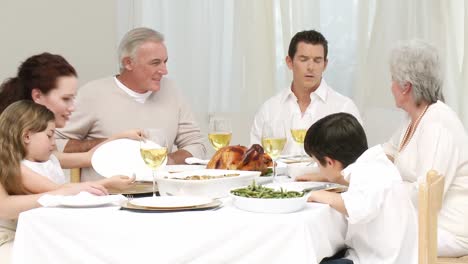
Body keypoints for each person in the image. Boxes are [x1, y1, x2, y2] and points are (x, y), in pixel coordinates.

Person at [55, 27, 207, 181]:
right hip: (107, 196)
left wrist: (169, 160)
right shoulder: (93, 94)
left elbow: (196, 145)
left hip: (160, 194)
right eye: (155, 63)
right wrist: (110, 144)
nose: (164, 70)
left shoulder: (171, 90)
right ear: (128, 63)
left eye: (165, 62)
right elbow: (56, 143)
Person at [0, 52, 139, 192]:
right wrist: (106, 183)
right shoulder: (15, 162)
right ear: (37, 96)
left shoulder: (44, 153)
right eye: (66, 99)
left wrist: (120, 137)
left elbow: (88, 157)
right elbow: (59, 191)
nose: (73, 107)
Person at [383, 39, 468, 257]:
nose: (390, 86)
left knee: (374, 234)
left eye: (393, 79)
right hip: (426, 222)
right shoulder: (414, 118)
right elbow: (385, 154)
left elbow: (425, 193)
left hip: (450, 231)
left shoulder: (438, 123)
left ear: (406, 87)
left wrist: (382, 190)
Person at [0, 101, 109, 263]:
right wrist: (60, 193)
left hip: (39, 233)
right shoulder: (11, 166)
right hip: (10, 238)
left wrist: (120, 138)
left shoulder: (46, 160)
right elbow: (5, 208)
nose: (54, 142)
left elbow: (86, 160)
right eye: (50, 135)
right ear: (27, 136)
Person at [304, 113, 417, 264]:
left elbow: (358, 208)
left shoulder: (366, 173)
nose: (318, 169)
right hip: (393, 254)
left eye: (318, 164)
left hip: (380, 259)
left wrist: (319, 195)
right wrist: (325, 177)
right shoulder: (374, 163)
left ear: (330, 162)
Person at [250, 30, 362, 156]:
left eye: (317, 60)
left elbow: (356, 163)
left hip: (325, 177)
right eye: (303, 59)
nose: (310, 67)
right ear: (289, 62)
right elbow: (255, 160)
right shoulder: (269, 110)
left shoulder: (344, 108)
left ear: (325, 65)